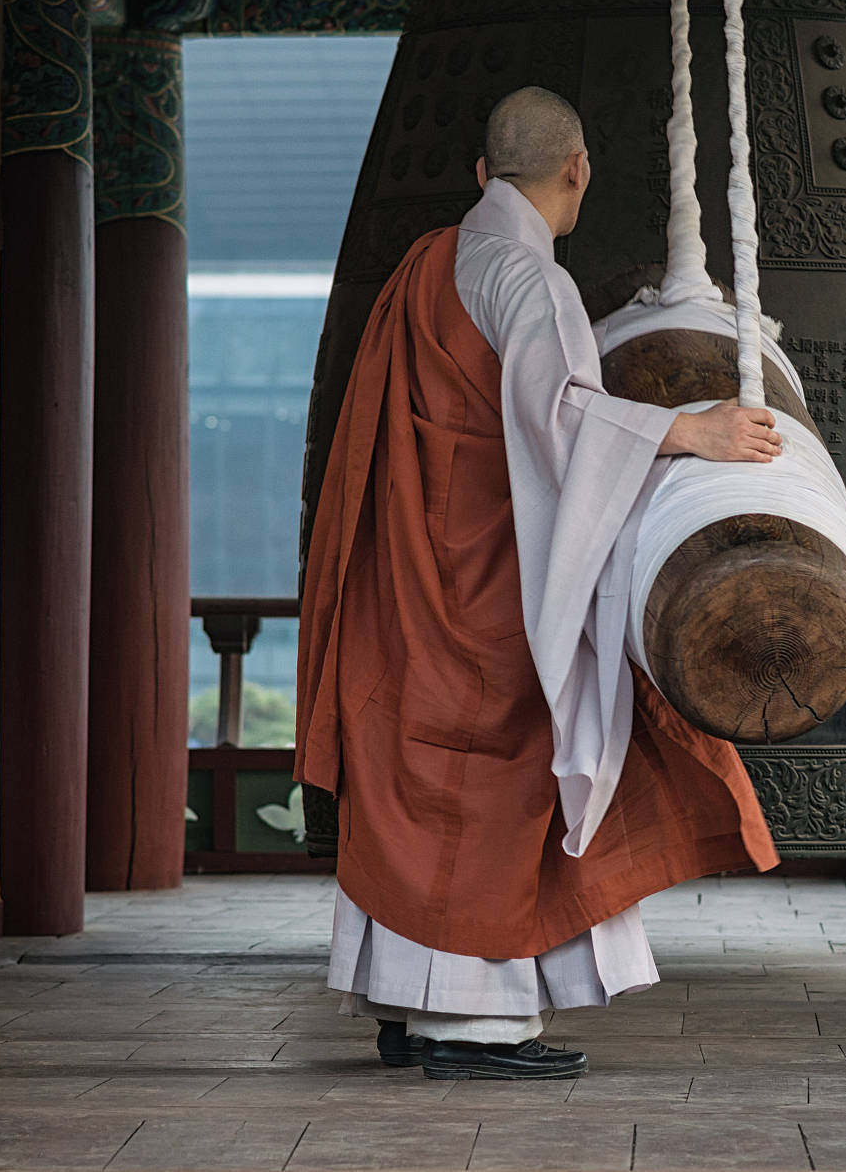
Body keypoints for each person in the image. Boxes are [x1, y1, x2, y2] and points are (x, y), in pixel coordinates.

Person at [295, 86, 783, 1080]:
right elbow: (560, 419)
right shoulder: (529, 280)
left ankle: (403, 996)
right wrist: (687, 431)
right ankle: (471, 1023)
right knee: (499, 782)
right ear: (576, 170)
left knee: (417, 780)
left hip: (420, 575)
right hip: (489, 587)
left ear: (482, 173)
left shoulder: (431, 263)